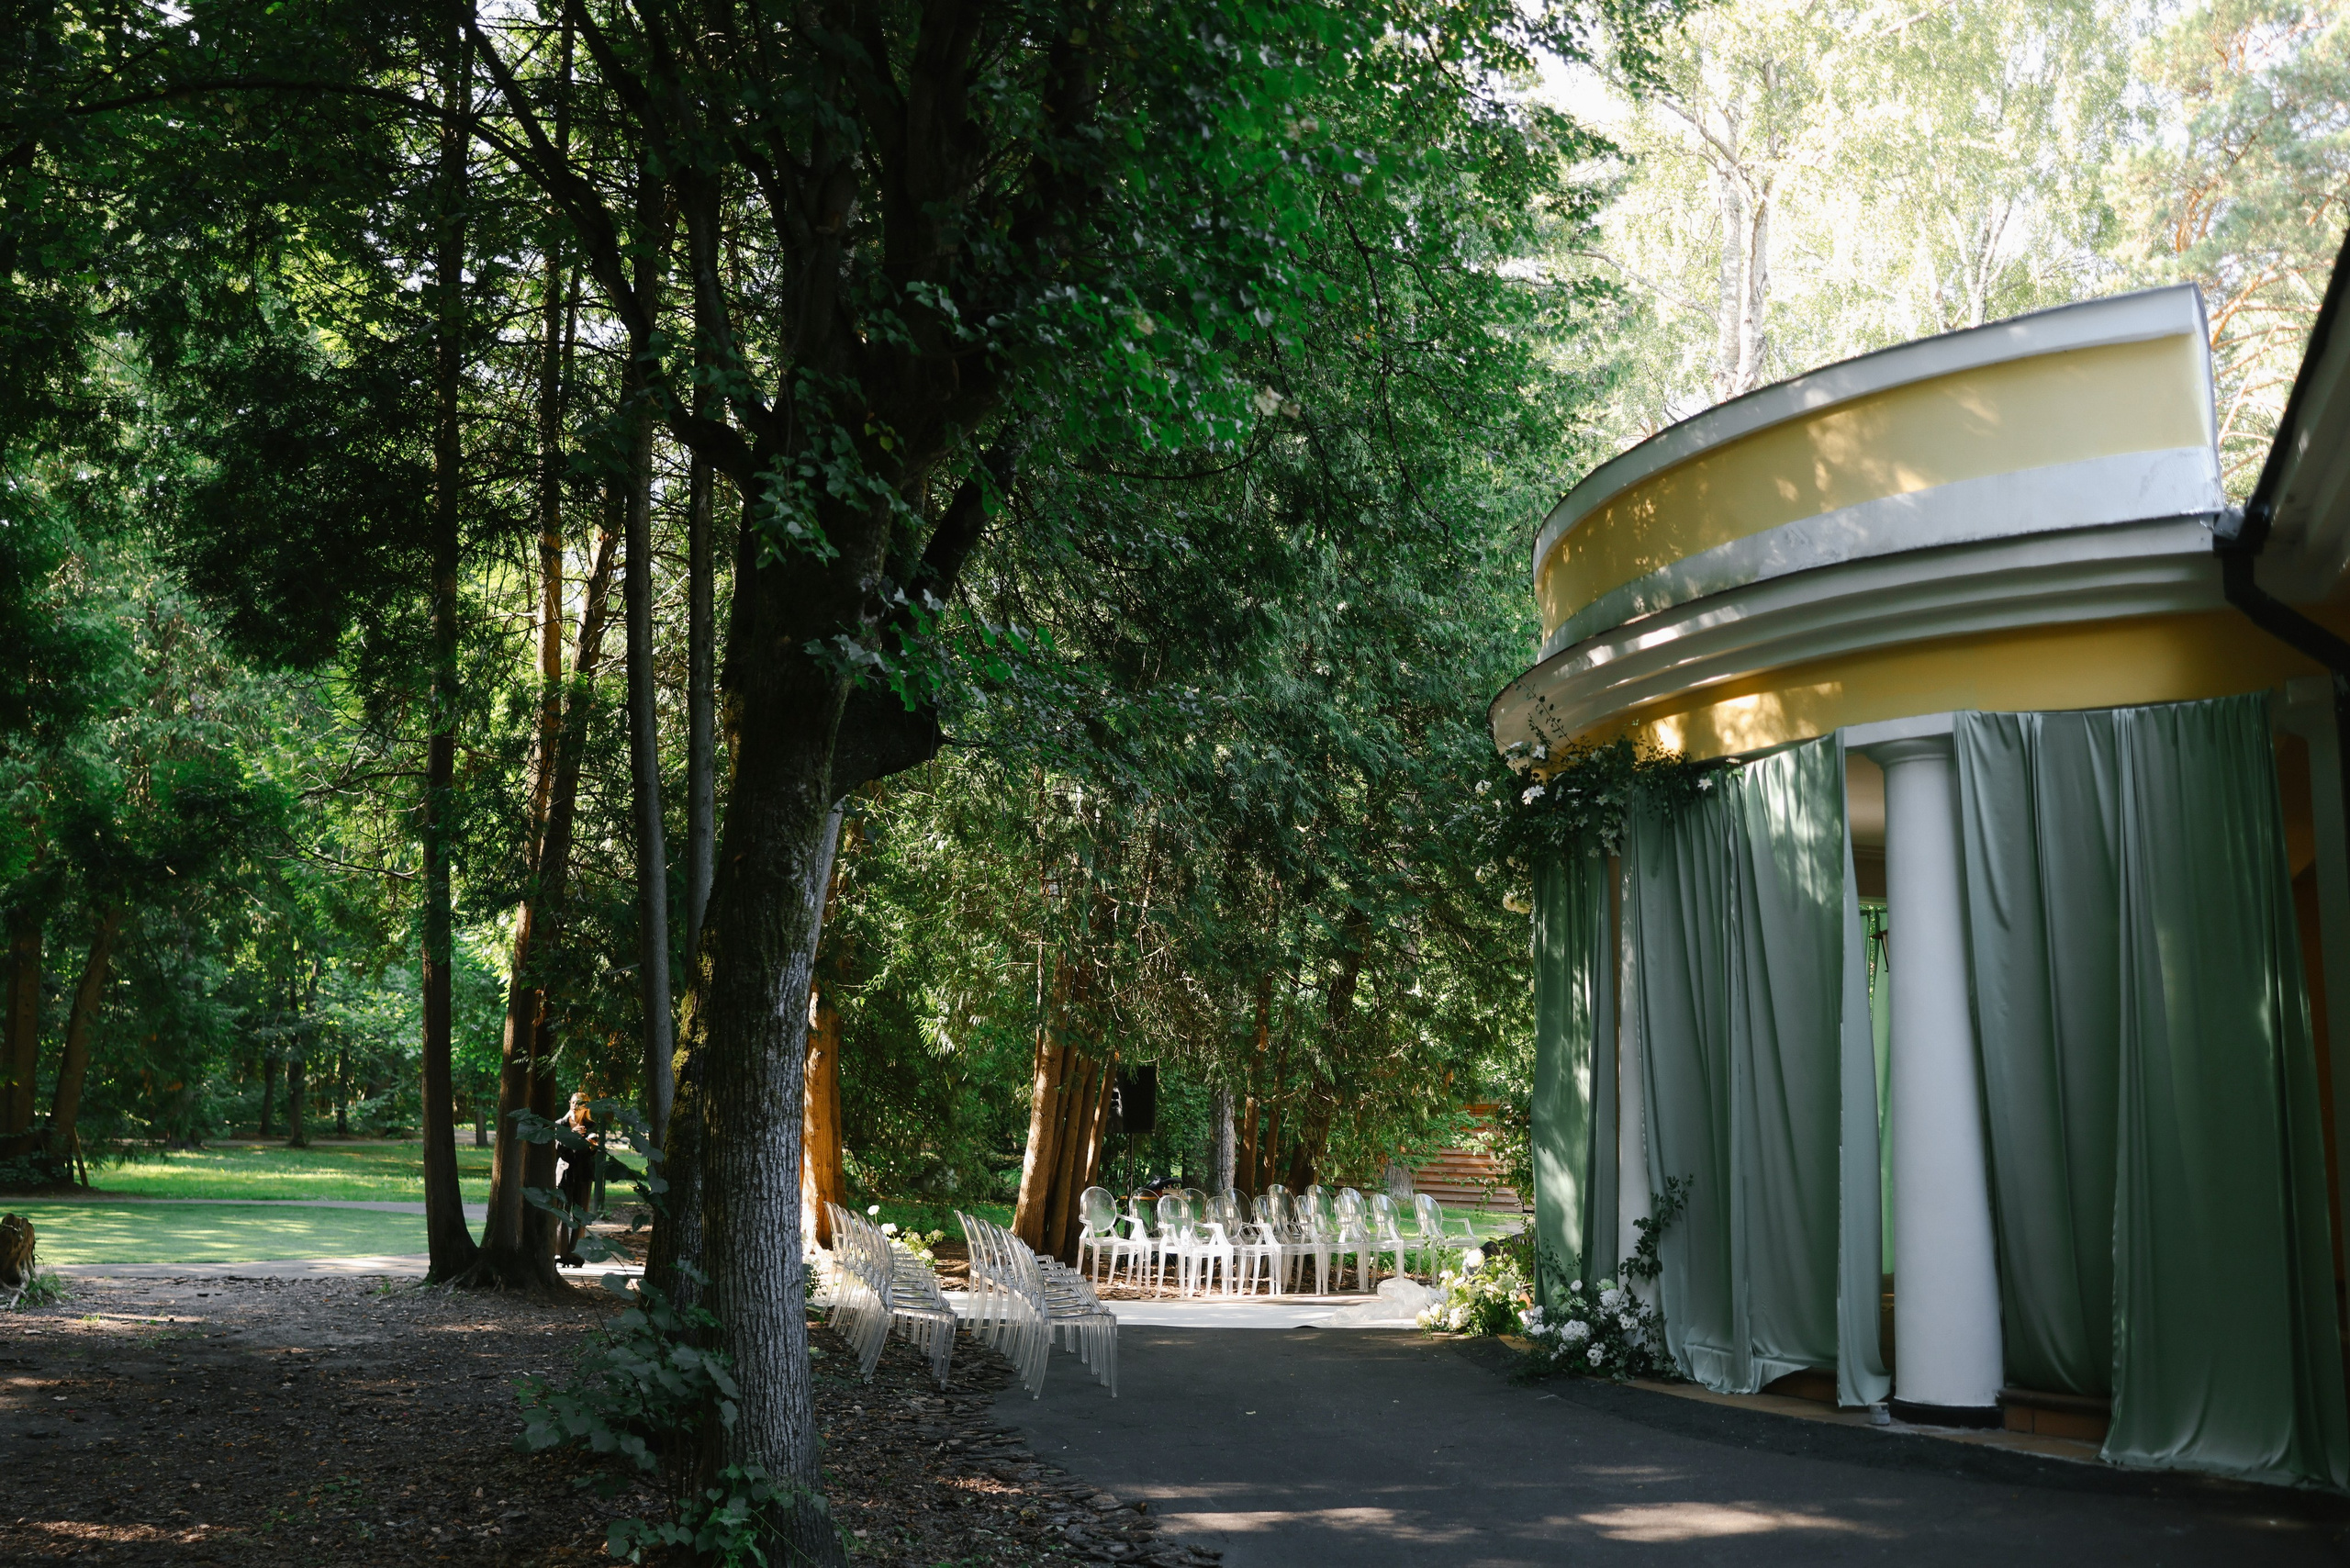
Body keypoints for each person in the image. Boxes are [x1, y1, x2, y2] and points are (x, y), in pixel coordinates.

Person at [554, 1092, 599, 1268]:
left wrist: (591, 1144)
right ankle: (561, 1253)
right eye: (572, 1102)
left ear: (586, 1106)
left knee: (580, 1215)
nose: (574, 1106)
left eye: (579, 1103)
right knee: (562, 1213)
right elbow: (556, 1147)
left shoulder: (591, 1125)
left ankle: (576, 1255)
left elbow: (592, 1150)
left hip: (583, 1174)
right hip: (564, 1172)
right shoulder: (561, 1124)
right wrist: (570, 1135)